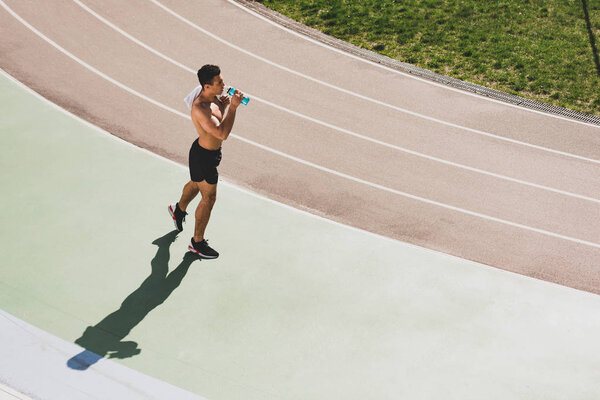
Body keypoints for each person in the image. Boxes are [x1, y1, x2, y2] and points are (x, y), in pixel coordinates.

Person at [169, 64, 244, 259]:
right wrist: (233, 109)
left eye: (222, 80)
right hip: (203, 157)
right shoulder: (200, 108)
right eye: (219, 82)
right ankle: (197, 242)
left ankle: (178, 209)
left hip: (209, 154)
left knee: (196, 183)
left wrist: (225, 105)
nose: (223, 84)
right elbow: (222, 133)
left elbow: (218, 120)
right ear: (206, 86)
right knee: (209, 198)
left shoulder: (215, 99)